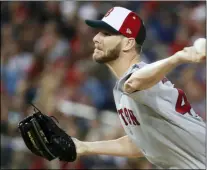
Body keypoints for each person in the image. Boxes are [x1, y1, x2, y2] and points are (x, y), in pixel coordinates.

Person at [71, 6, 206, 169]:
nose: (96, 38)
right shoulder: (126, 87)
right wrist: (84, 147)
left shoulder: (141, 76)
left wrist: (176, 58)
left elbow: (135, 82)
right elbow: (138, 143)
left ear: (128, 43)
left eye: (106, 34)